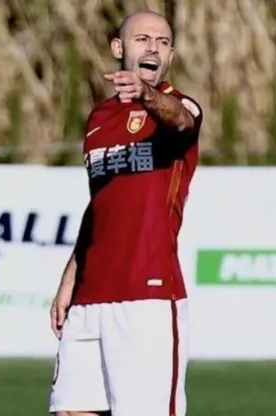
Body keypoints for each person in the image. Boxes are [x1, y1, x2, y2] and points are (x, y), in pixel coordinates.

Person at [48, 10, 203, 416]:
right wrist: (70, 278)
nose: (153, 47)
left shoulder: (177, 107)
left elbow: (182, 120)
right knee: (72, 411)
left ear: (169, 56)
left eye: (163, 42)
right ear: (118, 48)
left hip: (146, 297)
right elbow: (100, 203)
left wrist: (146, 95)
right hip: (90, 297)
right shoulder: (99, 118)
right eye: (142, 39)